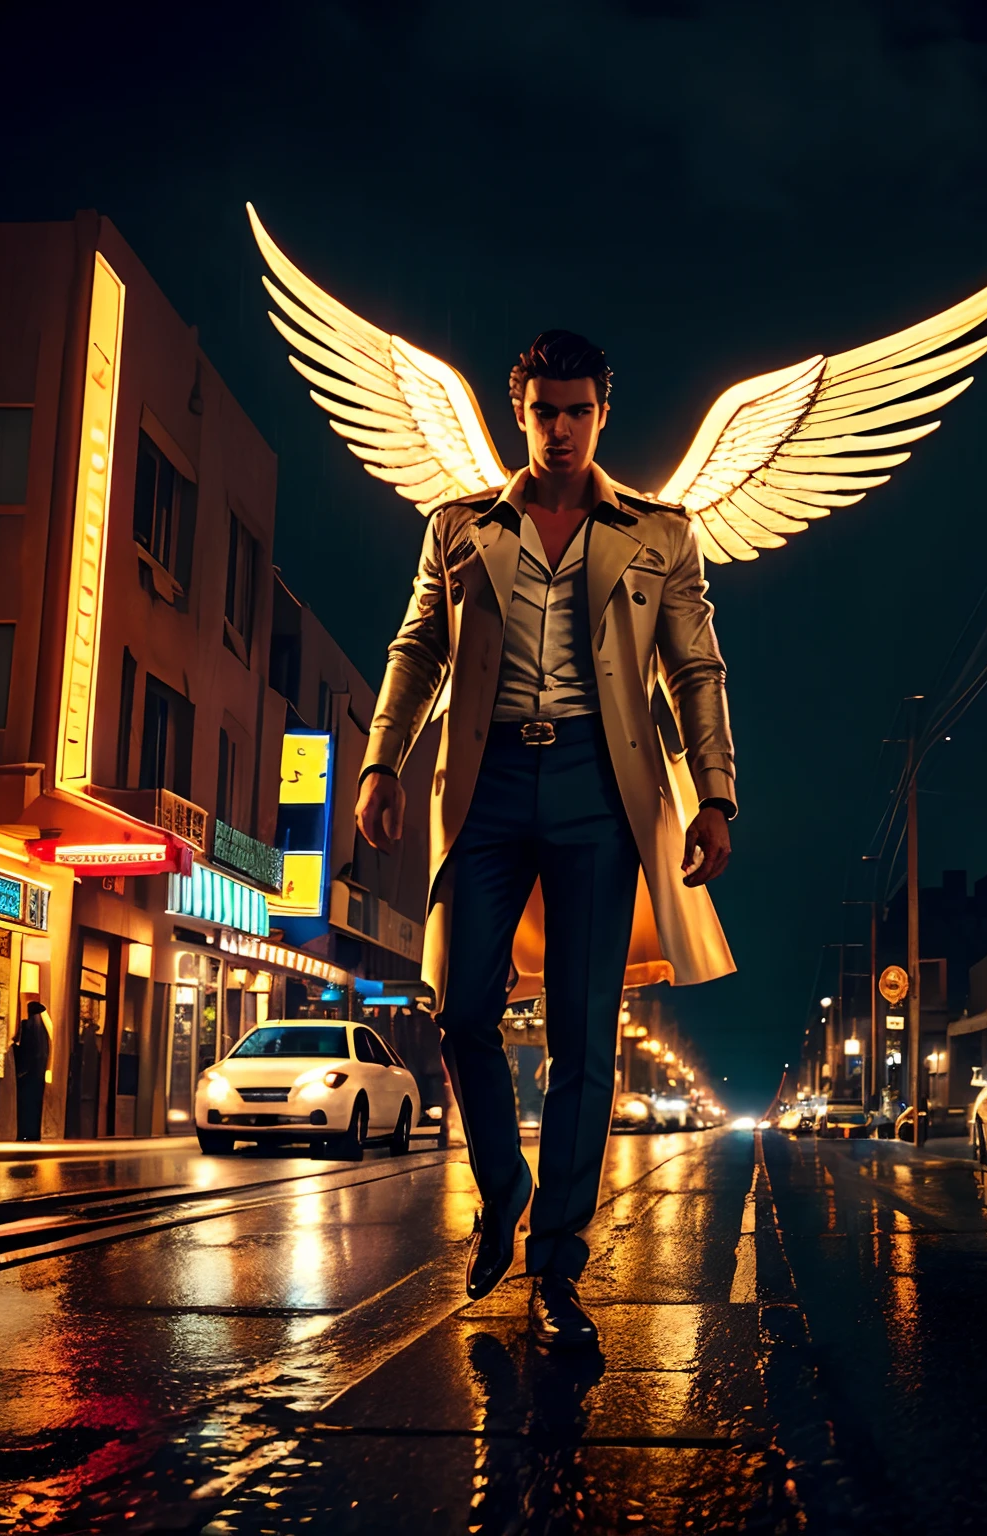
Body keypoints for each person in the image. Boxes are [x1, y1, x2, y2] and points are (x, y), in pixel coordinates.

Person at [355, 331, 736, 1348]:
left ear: (602, 412)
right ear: (517, 412)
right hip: (482, 785)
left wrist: (717, 795)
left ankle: (558, 1257)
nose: (560, 429)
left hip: (600, 786)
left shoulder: (661, 533)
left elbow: (696, 668)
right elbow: (418, 648)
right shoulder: (461, 528)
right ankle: (505, 1182)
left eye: (578, 411)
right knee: (463, 1008)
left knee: (583, 1031)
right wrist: (382, 761)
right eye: (543, 412)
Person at [14, 1001, 51, 1142]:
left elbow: (25, 1051)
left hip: (27, 1071)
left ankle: (24, 1132)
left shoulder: (27, 1025)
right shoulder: (42, 1029)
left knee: (25, 1103)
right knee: (35, 1103)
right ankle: (33, 1133)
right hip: (37, 1072)